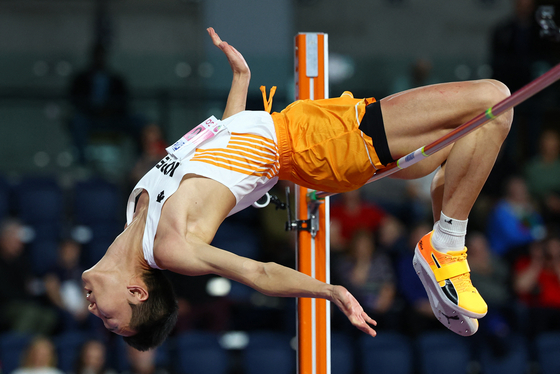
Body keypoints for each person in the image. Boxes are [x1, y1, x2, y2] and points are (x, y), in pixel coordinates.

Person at [82, 27, 513, 350]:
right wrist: (329, 290)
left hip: (305, 132)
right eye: (111, 322)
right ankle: (446, 247)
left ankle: (439, 271)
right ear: (137, 292)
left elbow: (220, 159)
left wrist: (240, 81)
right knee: (494, 101)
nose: (95, 314)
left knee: (462, 144)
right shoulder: (171, 246)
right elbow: (258, 273)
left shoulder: (134, 210)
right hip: (313, 144)